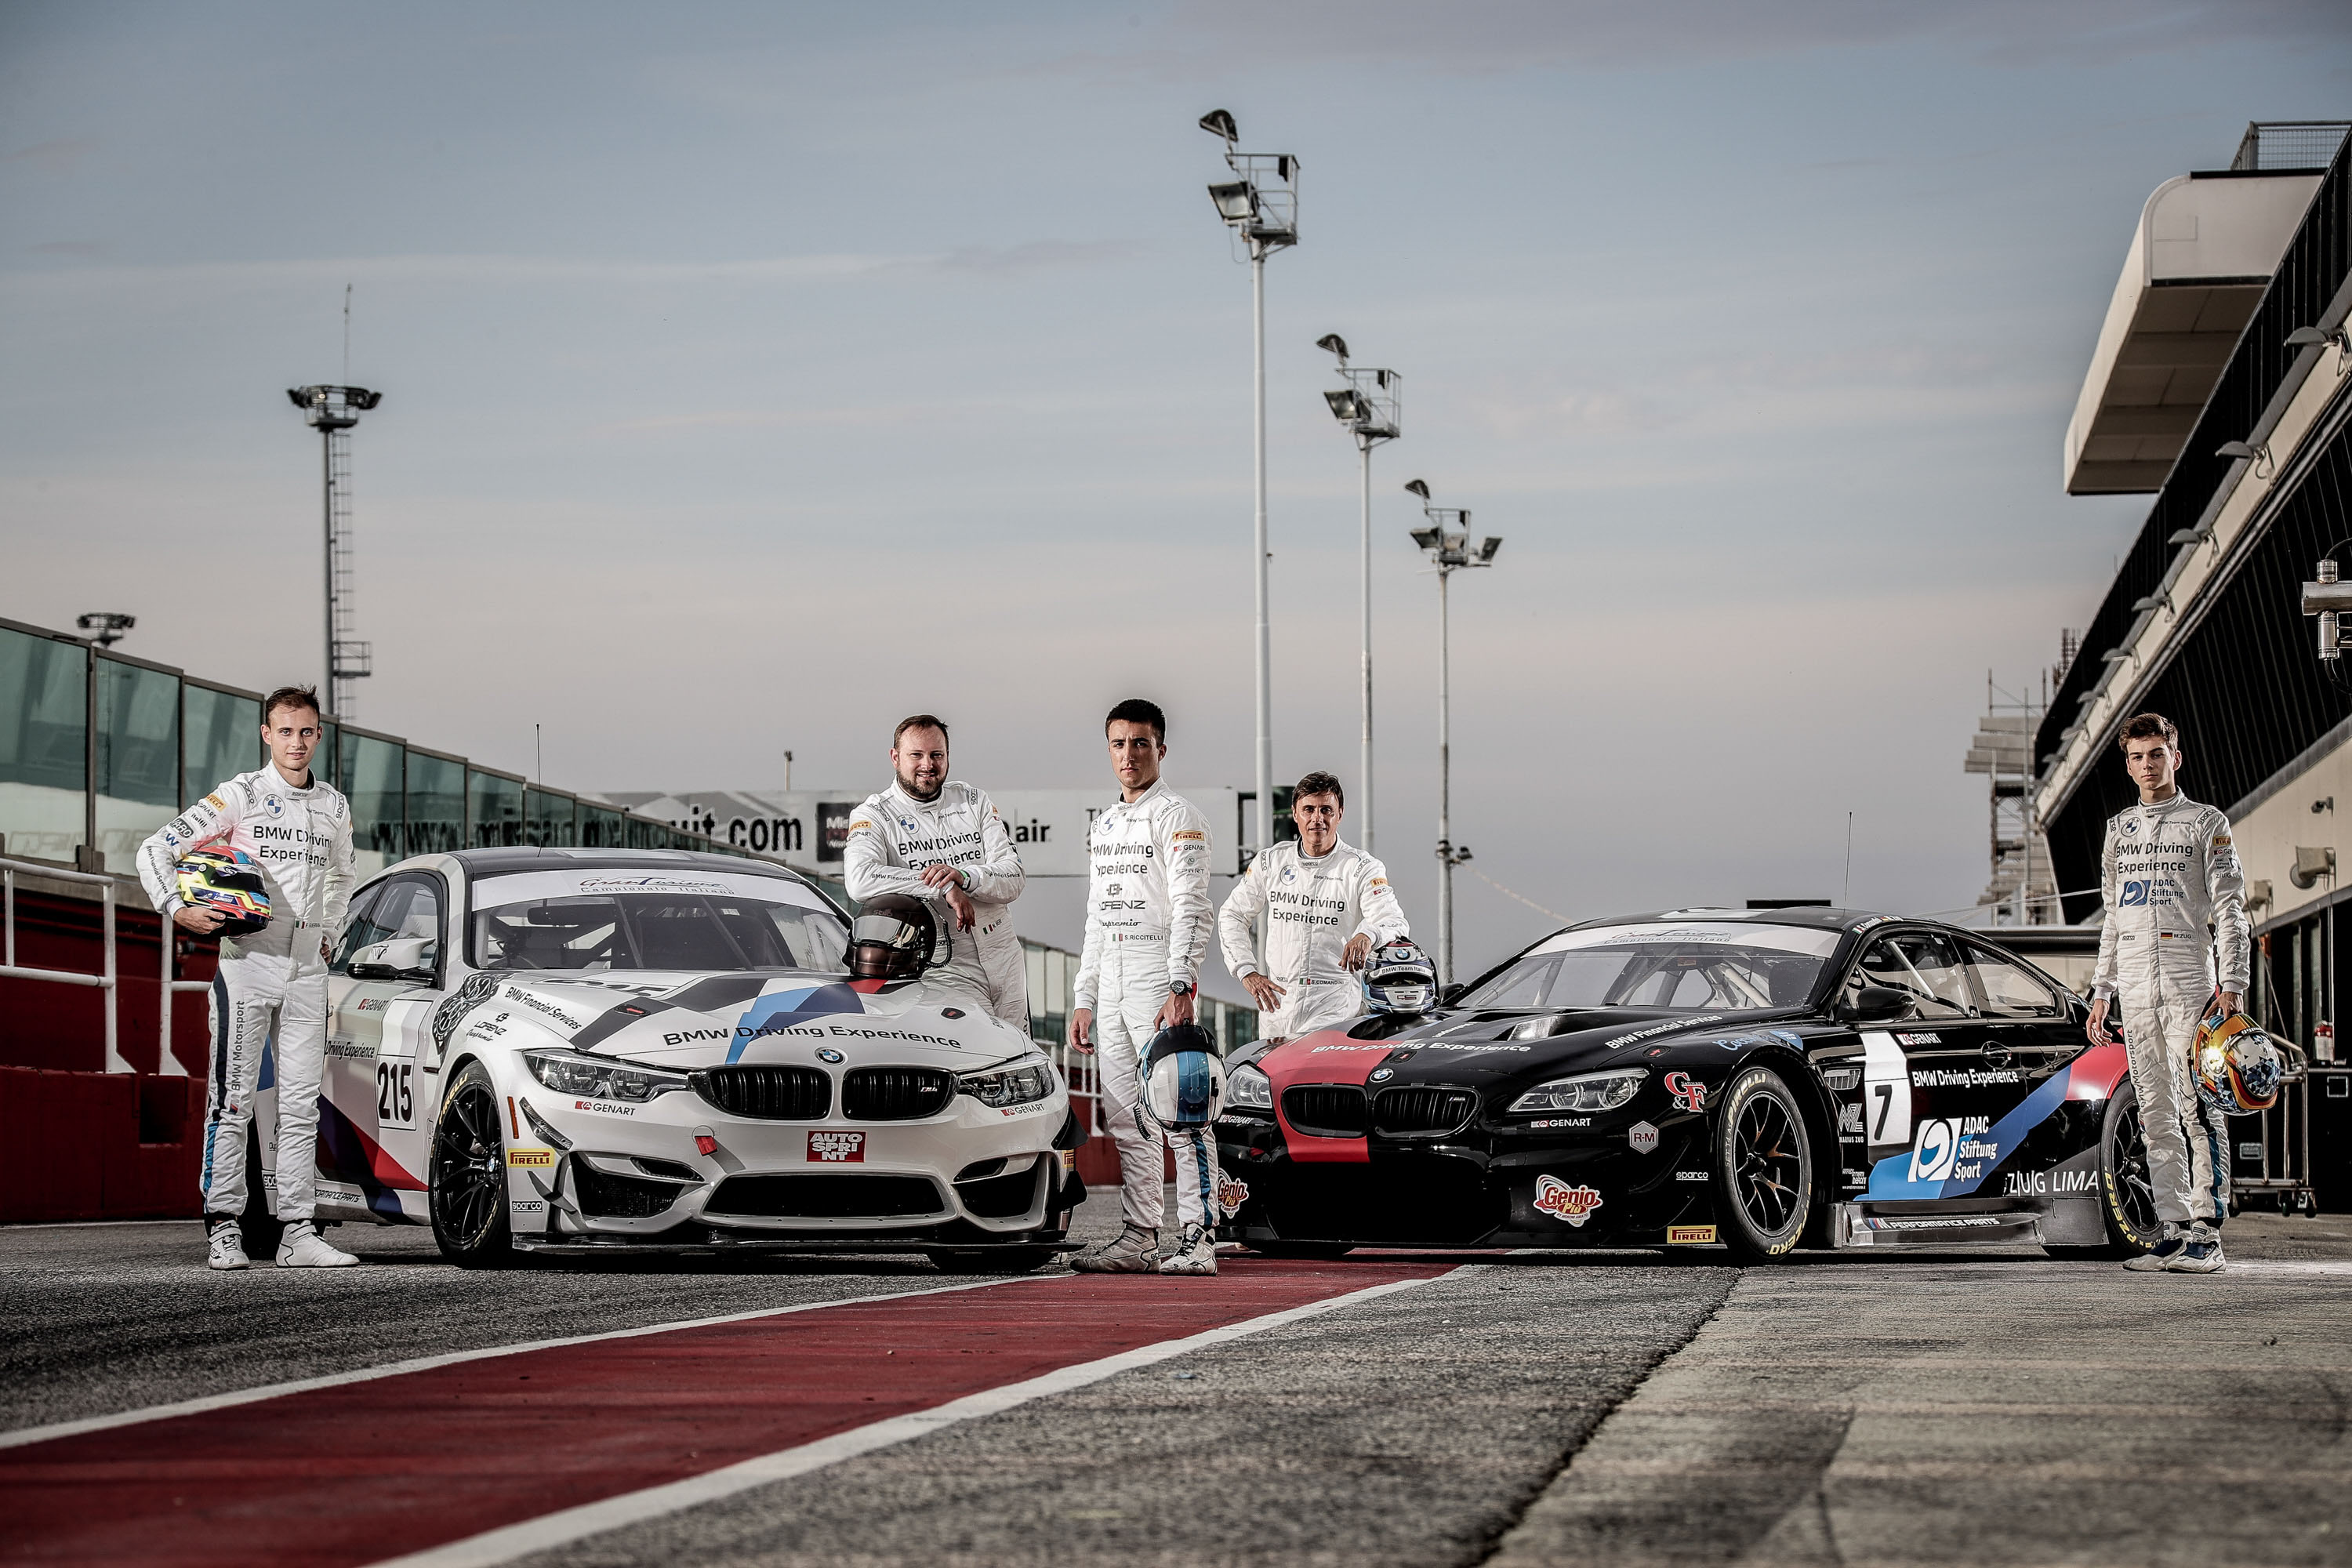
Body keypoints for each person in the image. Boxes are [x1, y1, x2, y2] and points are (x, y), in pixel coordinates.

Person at [136, 686, 358, 1271]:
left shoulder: (334, 806)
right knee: (232, 1101)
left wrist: (330, 930)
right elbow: (154, 850)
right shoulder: (242, 795)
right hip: (246, 964)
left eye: (306, 732)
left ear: (319, 735)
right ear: (267, 734)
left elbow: (344, 876)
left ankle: (297, 1232)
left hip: (308, 970)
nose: (296, 743)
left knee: (301, 1106)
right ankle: (224, 1226)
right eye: (285, 731)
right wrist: (177, 908)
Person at [2085, 711, 2247, 1276]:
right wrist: (2102, 989)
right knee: (2154, 1111)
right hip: (2134, 984)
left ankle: (2207, 1232)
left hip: (2189, 980)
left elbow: (2230, 906)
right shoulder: (2119, 830)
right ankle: (2172, 1231)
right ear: (2128, 766)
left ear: (2175, 757)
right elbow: (2112, 918)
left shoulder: (2206, 823)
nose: (2148, 765)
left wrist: (2234, 982)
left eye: (2157, 754)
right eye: (2138, 757)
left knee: (2197, 1104)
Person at [1069, 699, 1218, 1276]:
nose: (1128, 755)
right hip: (1111, 974)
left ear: (1161, 748)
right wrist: (1084, 997)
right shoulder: (1104, 824)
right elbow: (1095, 917)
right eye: (1118, 744)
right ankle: (1140, 1237)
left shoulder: (1179, 816)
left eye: (1140, 743)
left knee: (1181, 1109)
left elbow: (1192, 907)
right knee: (1126, 1116)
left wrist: (1181, 983)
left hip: (1158, 970)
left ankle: (1199, 1238)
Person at [841, 715, 1027, 1027]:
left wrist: (963, 877)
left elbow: (1014, 878)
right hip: (945, 965)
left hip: (1005, 956)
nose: (927, 765)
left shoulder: (973, 801)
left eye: (936, 755)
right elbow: (860, 879)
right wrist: (942, 884)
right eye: (916, 755)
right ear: (895, 757)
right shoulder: (874, 814)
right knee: (977, 1049)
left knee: (1018, 1051)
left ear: (947, 757)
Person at [1217, 770, 1408, 1046]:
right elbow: (1232, 915)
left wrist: (1367, 935)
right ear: (1295, 813)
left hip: (1336, 1014)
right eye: (1309, 809)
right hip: (1278, 1012)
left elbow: (1392, 920)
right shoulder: (1271, 861)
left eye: (1326, 810)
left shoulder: (1361, 867)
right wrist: (1246, 971)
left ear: (1340, 814)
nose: (1317, 818)